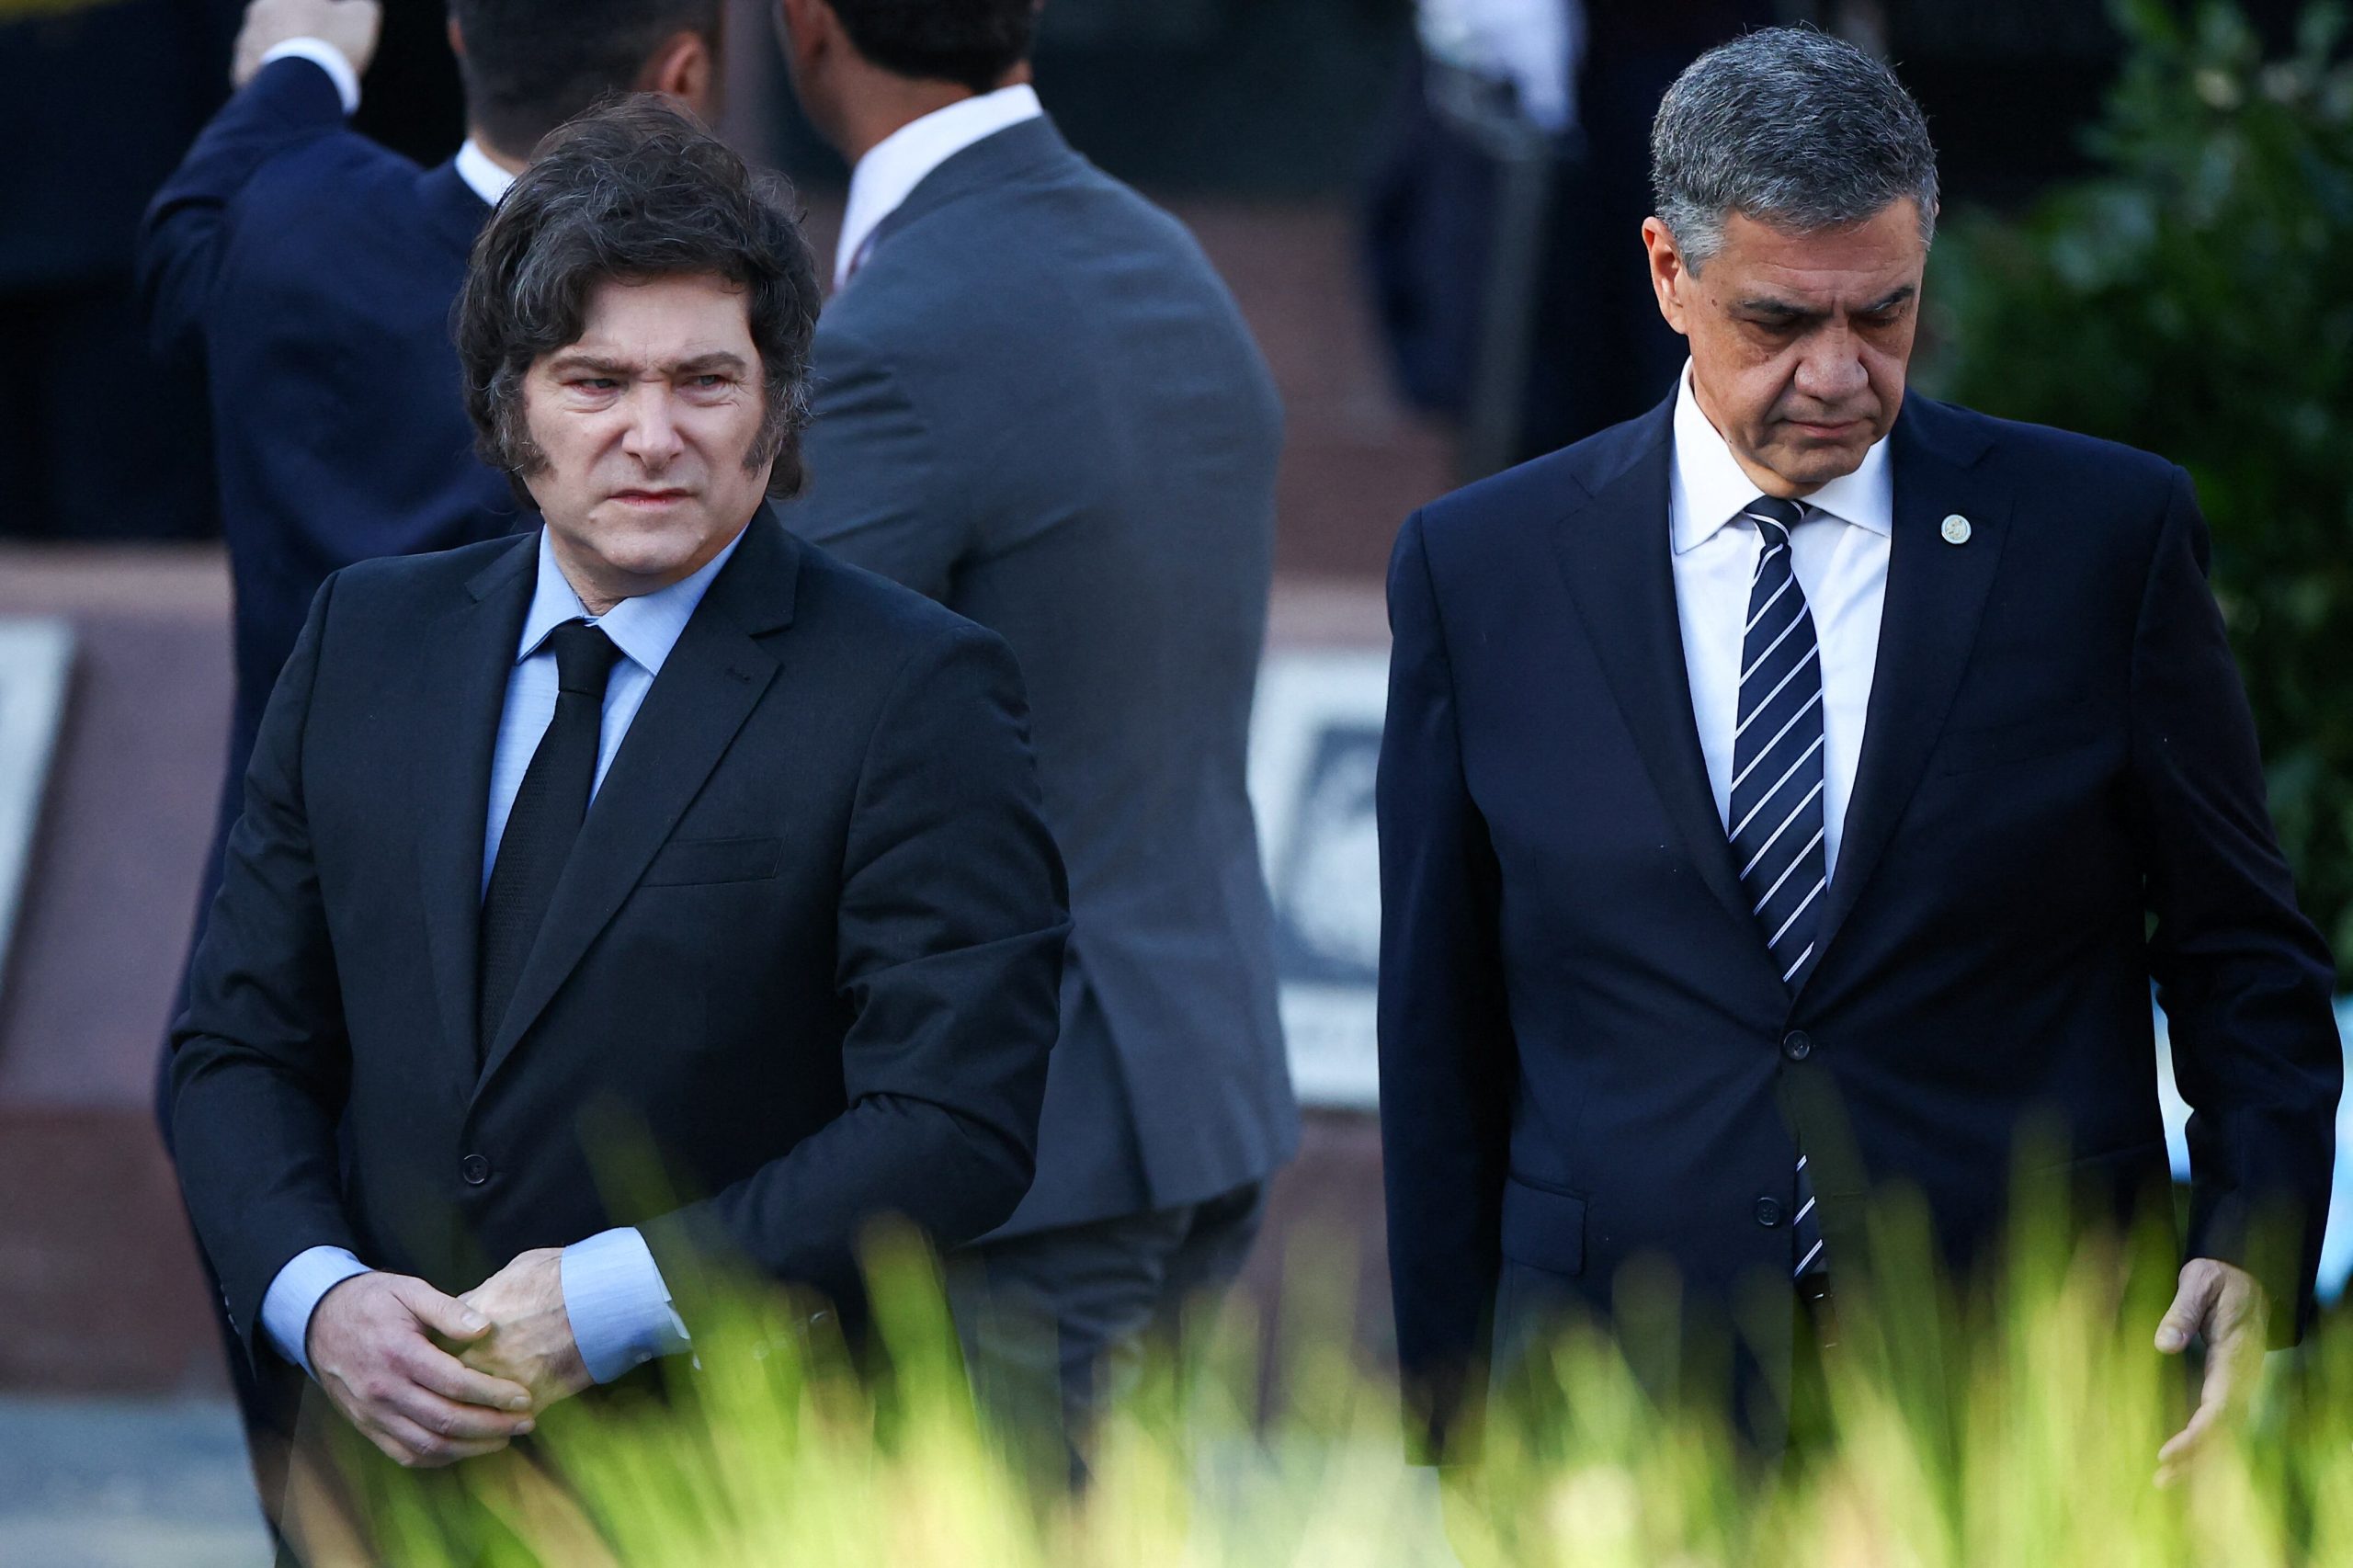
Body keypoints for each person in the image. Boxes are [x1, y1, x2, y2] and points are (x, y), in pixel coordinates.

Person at [1376, 27, 2340, 1474]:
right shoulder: (1483, 568)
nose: (1838, 373)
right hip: (1616, 1386)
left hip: (2025, 1370)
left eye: (1883, 314)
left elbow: (2241, 949)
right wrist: (1446, 1417)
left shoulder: (2098, 542)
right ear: (1668, 273)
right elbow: (1438, 1018)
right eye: (1780, 322)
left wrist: (2251, 1234)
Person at [167, 97, 1068, 1559]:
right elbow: (236, 1047)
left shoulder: (916, 689)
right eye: (595, 380)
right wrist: (320, 1297)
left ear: (778, 406)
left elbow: (952, 1118)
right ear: (508, 401)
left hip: (747, 1488)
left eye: (705, 380)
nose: (653, 436)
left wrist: (603, 1304)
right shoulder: (364, 641)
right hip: (384, 1488)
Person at [139, 0, 732, 1510]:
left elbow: (194, 218)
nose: (644, 427)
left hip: (289, 1027)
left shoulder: (294, 231)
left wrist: (303, 57)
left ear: (458, 35)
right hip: (577, 1057)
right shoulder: (724, 359)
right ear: (684, 72)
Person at [770, 0, 1300, 1478]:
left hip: (1022, 1156)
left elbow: (774, 742)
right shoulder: (1166, 259)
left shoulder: (893, 334)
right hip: (1193, 1090)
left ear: (805, 23)